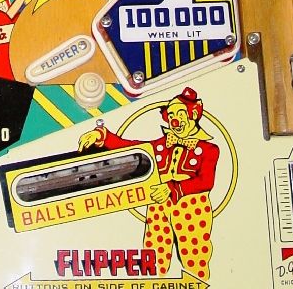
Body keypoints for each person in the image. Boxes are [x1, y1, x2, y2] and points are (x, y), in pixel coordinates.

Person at [78, 87, 219, 282]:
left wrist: (172, 188)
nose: (175, 120)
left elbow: (205, 181)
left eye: (180, 113)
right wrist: (102, 136)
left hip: (191, 206)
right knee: (154, 257)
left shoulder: (209, 149)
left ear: (193, 114)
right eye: (171, 115)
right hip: (159, 203)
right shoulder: (161, 145)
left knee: (195, 256)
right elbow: (130, 147)